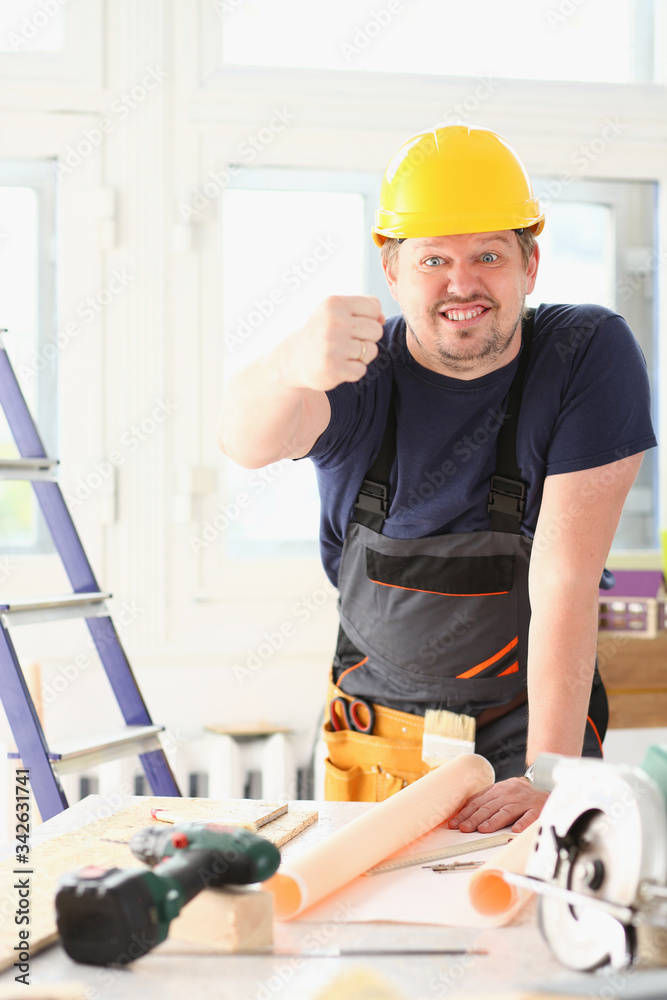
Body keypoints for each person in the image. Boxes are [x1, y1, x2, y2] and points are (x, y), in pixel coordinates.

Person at [218, 123, 657, 834]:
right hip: (376, 741)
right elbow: (243, 443)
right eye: (432, 260)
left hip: (528, 736)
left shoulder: (583, 356)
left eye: (488, 254)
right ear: (391, 272)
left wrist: (546, 774)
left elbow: (564, 581)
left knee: (536, 929)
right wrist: (287, 364)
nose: (462, 284)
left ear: (530, 265)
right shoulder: (355, 370)